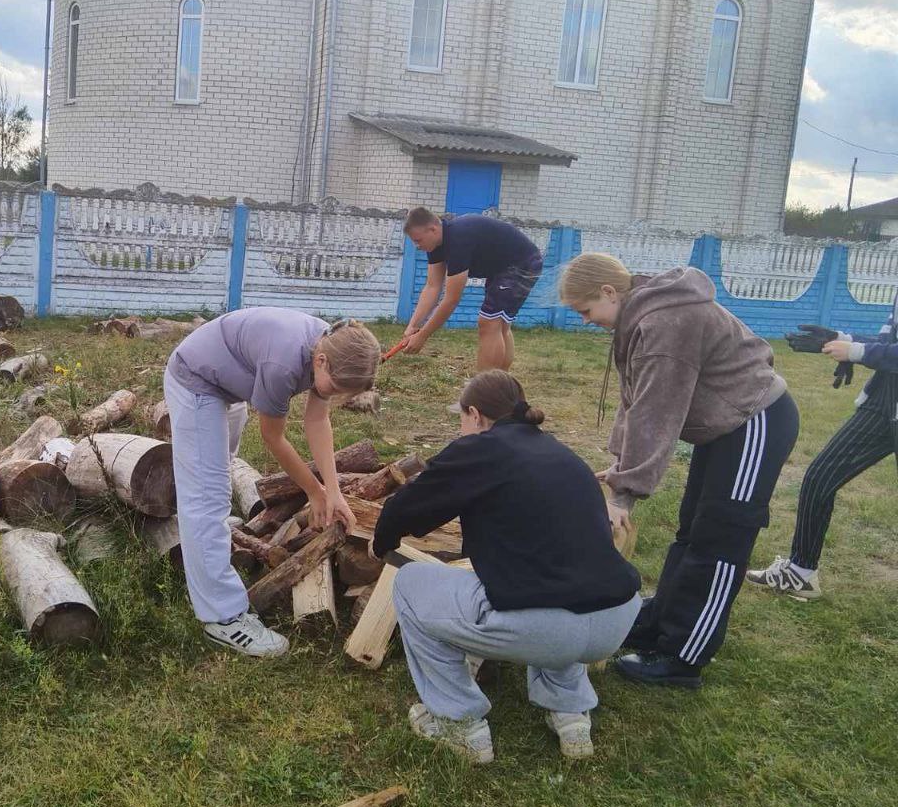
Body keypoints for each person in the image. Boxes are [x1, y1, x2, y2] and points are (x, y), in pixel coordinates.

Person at [371, 371, 641, 763]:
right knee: (558, 577)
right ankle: (571, 715)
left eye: (462, 419)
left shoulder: (478, 449)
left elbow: (406, 508)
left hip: (544, 628)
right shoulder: (563, 454)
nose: (461, 428)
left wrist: (381, 545)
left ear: (475, 415)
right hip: (614, 618)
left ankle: (459, 723)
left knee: (410, 583)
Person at [560, 253, 800, 689]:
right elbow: (634, 400)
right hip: (725, 426)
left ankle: (683, 657)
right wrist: (619, 467)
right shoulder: (643, 316)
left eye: (585, 310)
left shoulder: (664, 326)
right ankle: (661, 620)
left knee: (721, 538)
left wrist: (623, 494)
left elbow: (657, 415)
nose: (584, 319)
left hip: (754, 421)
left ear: (610, 292)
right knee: (692, 529)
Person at [164, 309, 380, 657]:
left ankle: (207, 544)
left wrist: (334, 492)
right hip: (197, 380)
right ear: (321, 361)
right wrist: (314, 490)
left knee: (215, 474)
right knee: (207, 498)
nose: (337, 396)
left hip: (225, 385)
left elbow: (318, 419)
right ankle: (223, 617)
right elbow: (274, 438)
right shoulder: (284, 364)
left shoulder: (331, 343)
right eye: (337, 388)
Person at [747, 290, 898, 600]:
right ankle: (801, 572)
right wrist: (837, 339)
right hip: (883, 403)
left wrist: (856, 351)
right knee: (820, 477)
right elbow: (887, 343)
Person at [400, 207, 543, 371]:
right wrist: (413, 325)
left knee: (489, 322)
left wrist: (423, 336)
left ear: (432, 229)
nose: (417, 246)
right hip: (502, 268)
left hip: (522, 263)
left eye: (418, 240)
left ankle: (486, 387)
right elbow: (432, 287)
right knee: (499, 324)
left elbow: (451, 300)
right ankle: (498, 384)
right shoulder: (436, 245)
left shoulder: (457, 239)